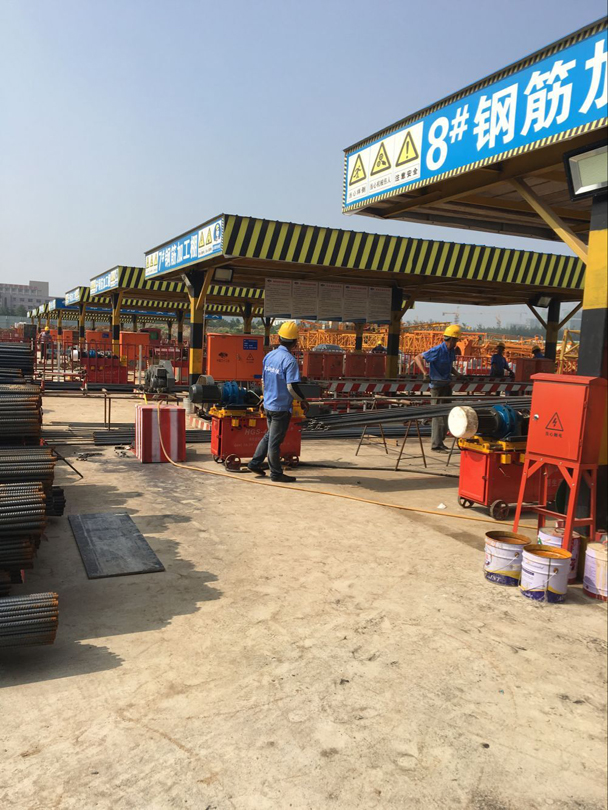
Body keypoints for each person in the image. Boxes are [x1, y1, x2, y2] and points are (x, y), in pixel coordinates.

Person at [248, 321, 309, 483]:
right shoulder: (290, 361)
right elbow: (291, 387)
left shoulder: (269, 356)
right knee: (274, 442)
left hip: (269, 404)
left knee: (270, 436)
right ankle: (275, 473)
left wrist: (264, 398)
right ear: (295, 342)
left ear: (279, 338)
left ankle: (255, 463)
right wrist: (302, 400)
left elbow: (263, 380)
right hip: (281, 408)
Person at [414, 324, 462, 452]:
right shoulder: (437, 350)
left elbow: (449, 367)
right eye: (455, 340)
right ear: (450, 339)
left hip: (446, 385)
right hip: (437, 387)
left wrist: (458, 374)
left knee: (446, 415)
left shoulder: (451, 352)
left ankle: (440, 442)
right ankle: (436, 445)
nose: (456, 343)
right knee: (438, 416)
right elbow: (418, 358)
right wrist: (425, 373)